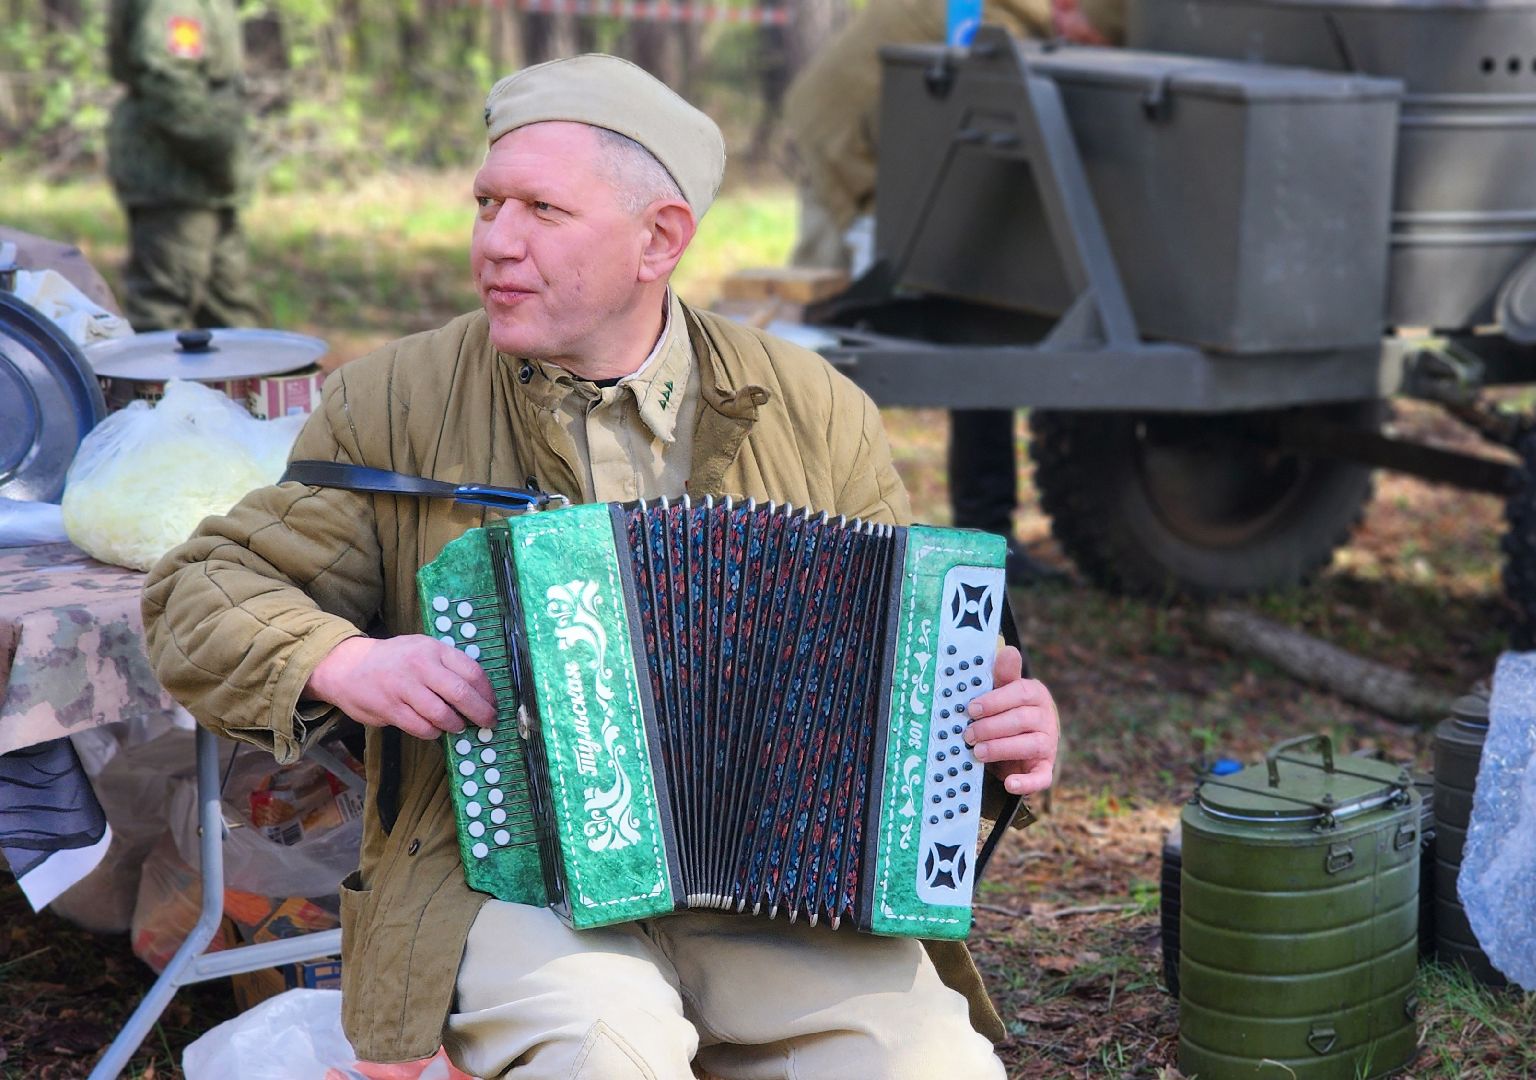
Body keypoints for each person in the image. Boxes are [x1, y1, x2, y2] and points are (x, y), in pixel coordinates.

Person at [143, 54, 1061, 1079]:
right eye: (487, 204)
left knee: (934, 1067)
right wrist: (340, 659)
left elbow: (912, 669)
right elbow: (201, 589)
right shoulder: (397, 399)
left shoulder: (814, 407)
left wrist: (996, 737)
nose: (496, 240)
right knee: (604, 1050)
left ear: (659, 238)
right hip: (505, 879)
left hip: (779, 889)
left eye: (542, 209)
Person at [783, 0, 1124, 581]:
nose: (1086, 49)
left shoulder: (1001, 16)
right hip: (849, 143)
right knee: (816, 349)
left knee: (968, 324)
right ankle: (804, 544)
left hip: (851, 133)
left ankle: (975, 534)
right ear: (1068, 9)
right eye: (1091, 38)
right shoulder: (1002, 31)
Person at [107, 0, 271, 331]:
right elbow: (169, 84)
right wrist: (221, 156)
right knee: (162, 313)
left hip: (204, 184)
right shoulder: (177, 4)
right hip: (176, 179)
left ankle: (245, 369)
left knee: (232, 310)